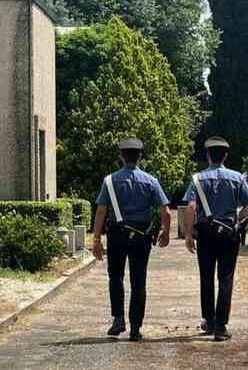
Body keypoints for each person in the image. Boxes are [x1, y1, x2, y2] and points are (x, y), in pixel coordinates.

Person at [92, 137, 172, 342]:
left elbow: (101, 211)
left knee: (116, 276)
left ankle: (118, 320)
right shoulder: (151, 181)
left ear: (121, 156)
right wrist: (165, 231)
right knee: (139, 282)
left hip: (117, 234)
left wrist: (96, 240)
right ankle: (136, 328)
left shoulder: (109, 181)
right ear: (140, 156)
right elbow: (166, 211)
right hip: (142, 236)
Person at [183, 136, 248, 342]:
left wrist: (188, 235)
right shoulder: (237, 178)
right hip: (228, 233)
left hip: (205, 233)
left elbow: (190, 207)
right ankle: (221, 326)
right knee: (225, 278)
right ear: (225, 156)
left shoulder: (197, 179)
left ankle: (209, 321)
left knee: (206, 277)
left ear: (207, 156)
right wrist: (236, 220)